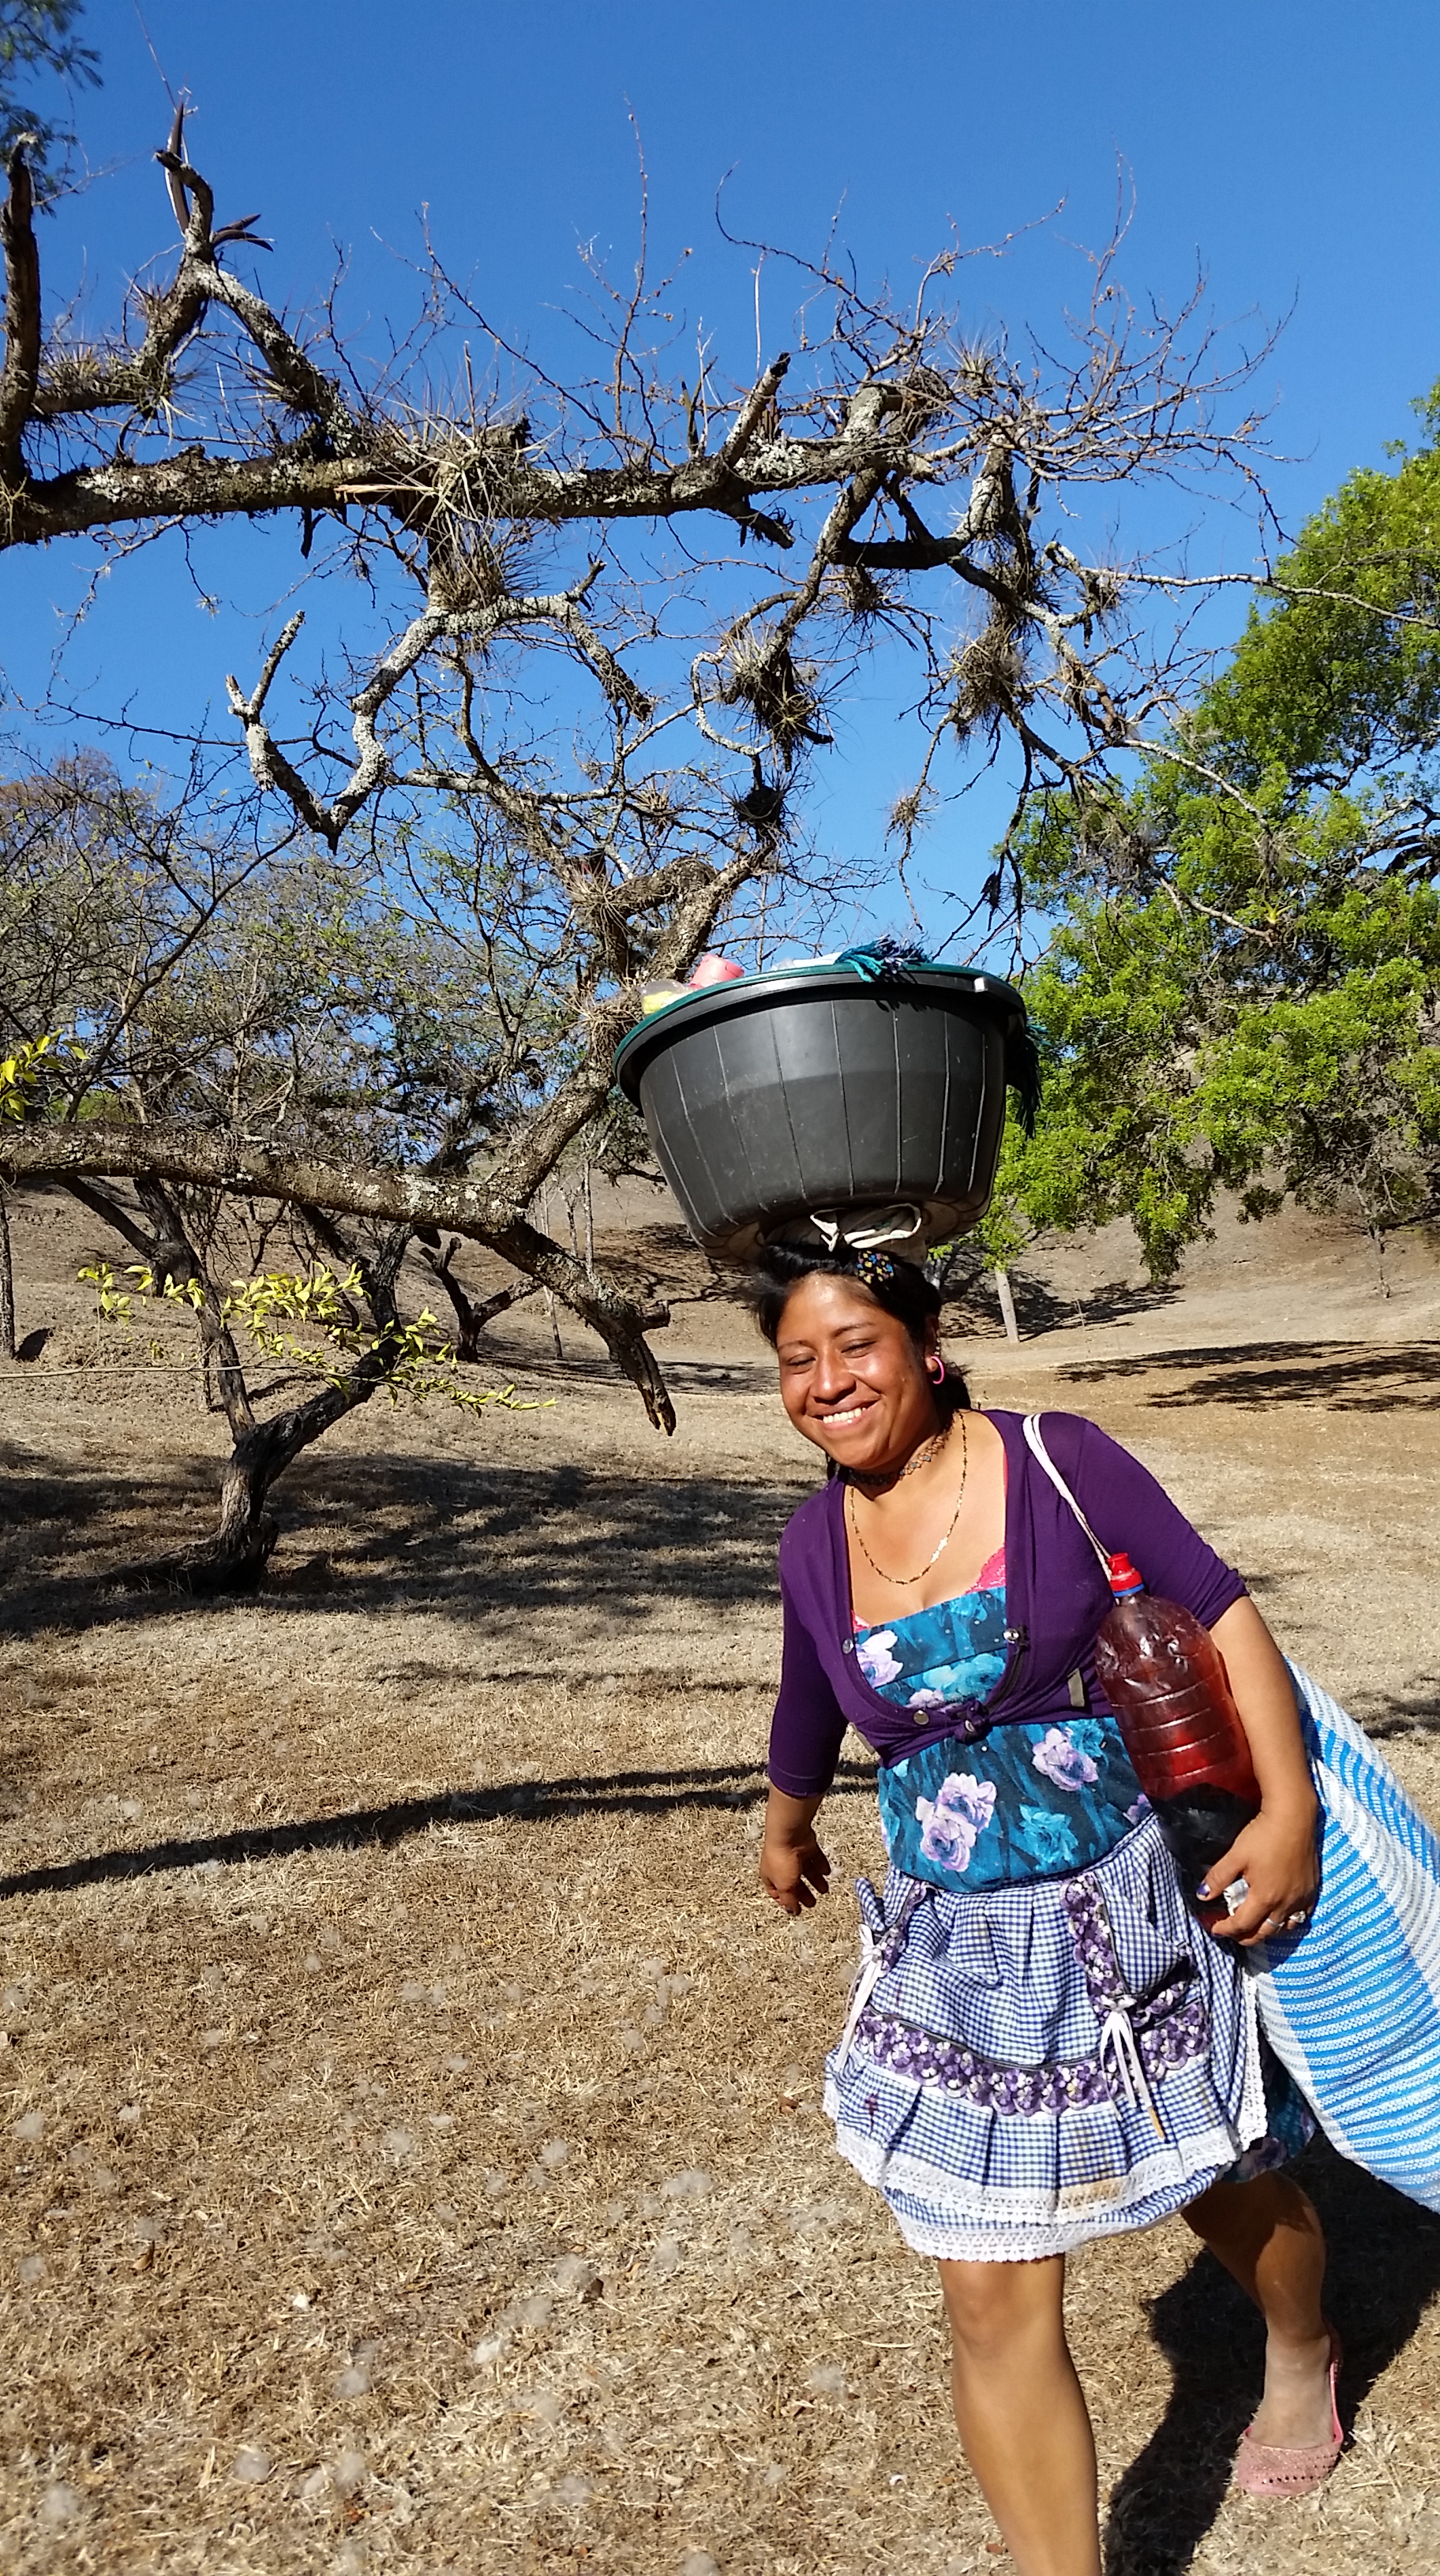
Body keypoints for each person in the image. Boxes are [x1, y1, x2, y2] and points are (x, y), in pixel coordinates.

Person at [753, 1239, 1344, 2576]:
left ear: (925, 1347)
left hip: (1130, 1908)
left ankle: (1301, 2344)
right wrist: (785, 1829)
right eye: (798, 1360)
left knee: (1227, 2185)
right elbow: (806, 1696)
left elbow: (1221, 1612)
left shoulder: (1057, 1458)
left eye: (857, 1345)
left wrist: (1288, 1812)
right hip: (956, 1945)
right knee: (985, 2289)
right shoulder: (811, 1540)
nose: (828, 1381)